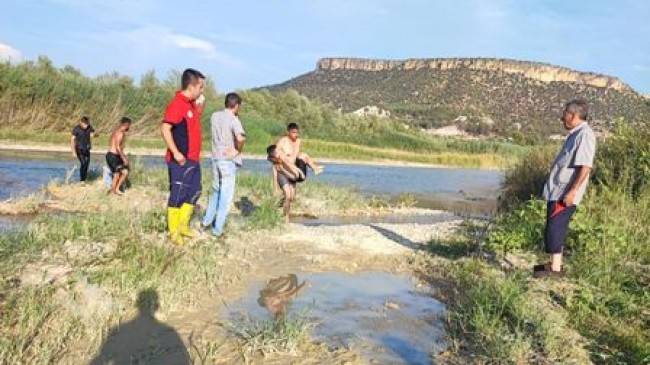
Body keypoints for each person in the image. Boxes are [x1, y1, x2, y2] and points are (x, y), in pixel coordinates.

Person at [534, 99, 597, 279]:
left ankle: (555, 270)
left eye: (565, 114)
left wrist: (572, 191)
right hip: (558, 190)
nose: (562, 118)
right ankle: (555, 265)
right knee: (554, 226)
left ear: (574, 115)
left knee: (556, 227)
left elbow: (586, 166)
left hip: (565, 192)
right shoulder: (575, 134)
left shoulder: (585, 135)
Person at [161, 68, 205, 246]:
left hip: (194, 158)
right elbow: (165, 129)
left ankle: (183, 225)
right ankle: (173, 233)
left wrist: (201, 103)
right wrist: (176, 152)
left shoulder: (191, 104)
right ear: (192, 86)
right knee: (178, 194)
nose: (202, 91)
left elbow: (194, 119)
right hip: (181, 159)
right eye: (201, 87)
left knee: (195, 191)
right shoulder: (177, 104)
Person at [201, 92, 246, 238]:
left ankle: (206, 222)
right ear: (237, 105)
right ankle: (217, 229)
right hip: (227, 160)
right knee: (226, 196)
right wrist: (237, 151)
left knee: (215, 191)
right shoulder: (234, 119)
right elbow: (240, 137)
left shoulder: (214, 116)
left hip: (215, 157)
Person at [267, 144, 304, 219]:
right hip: (281, 174)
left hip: (289, 173)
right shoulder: (272, 160)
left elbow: (291, 166)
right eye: (276, 154)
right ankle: (285, 216)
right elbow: (274, 175)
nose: (279, 153)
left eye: (278, 152)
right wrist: (275, 188)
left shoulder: (282, 156)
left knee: (292, 197)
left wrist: (300, 172)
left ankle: (280, 204)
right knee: (288, 195)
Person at [105, 117, 131, 195]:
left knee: (125, 172)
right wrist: (124, 158)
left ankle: (116, 188)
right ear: (126, 125)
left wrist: (123, 157)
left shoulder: (117, 131)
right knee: (116, 175)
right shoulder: (120, 133)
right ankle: (114, 191)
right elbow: (117, 147)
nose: (129, 127)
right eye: (129, 125)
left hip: (115, 156)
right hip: (112, 156)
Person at [70, 115, 97, 183]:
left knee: (87, 164)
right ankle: (82, 181)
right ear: (81, 123)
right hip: (79, 149)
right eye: (85, 124)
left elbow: (94, 134)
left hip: (87, 149)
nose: (86, 125)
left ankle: (84, 178)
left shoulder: (89, 127)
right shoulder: (76, 129)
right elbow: (72, 140)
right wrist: (73, 151)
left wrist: (95, 135)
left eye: (87, 124)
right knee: (83, 164)